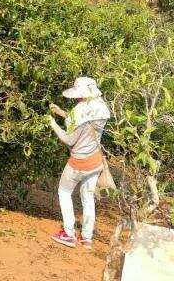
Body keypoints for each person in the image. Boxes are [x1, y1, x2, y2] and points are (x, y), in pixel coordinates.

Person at [48, 77, 111, 250]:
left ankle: (68, 233)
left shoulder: (79, 111)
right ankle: (86, 238)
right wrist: (61, 113)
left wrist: (53, 124)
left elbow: (69, 139)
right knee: (88, 198)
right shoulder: (100, 107)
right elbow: (84, 124)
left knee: (64, 191)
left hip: (79, 162)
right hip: (95, 161)